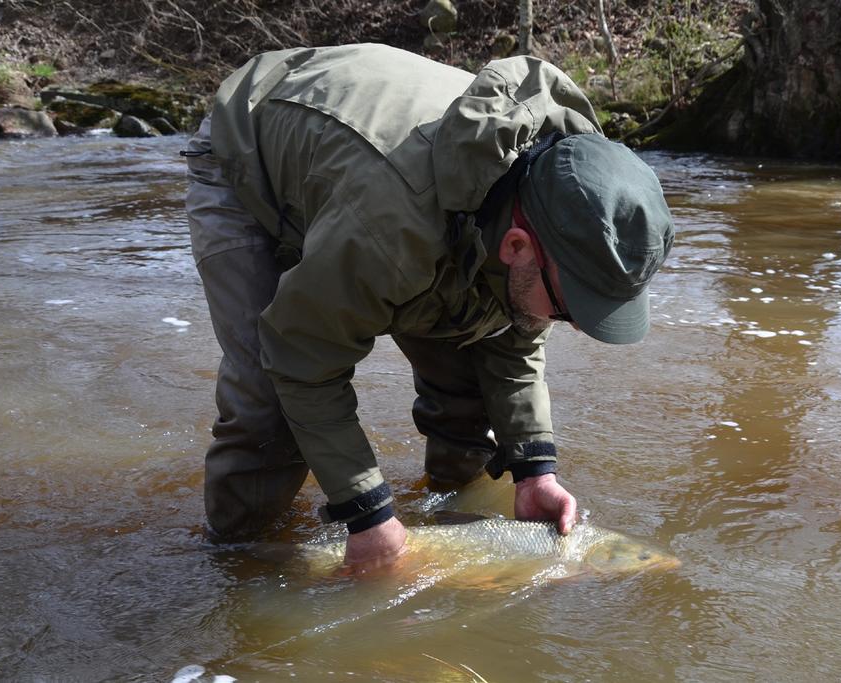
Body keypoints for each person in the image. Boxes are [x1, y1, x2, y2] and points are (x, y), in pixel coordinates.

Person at [183, 43, 674, 570]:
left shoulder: (560, 205)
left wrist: (535, 471)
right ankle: (237, 565)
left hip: (374, 182)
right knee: (270, 405)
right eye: (572, 308)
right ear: (515, 248)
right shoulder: (393, 229)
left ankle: (445, 515)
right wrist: (366, 512)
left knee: (478, 359)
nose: (575, 326)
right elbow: (300, 356)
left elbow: (513, 345)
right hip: (251, 149)